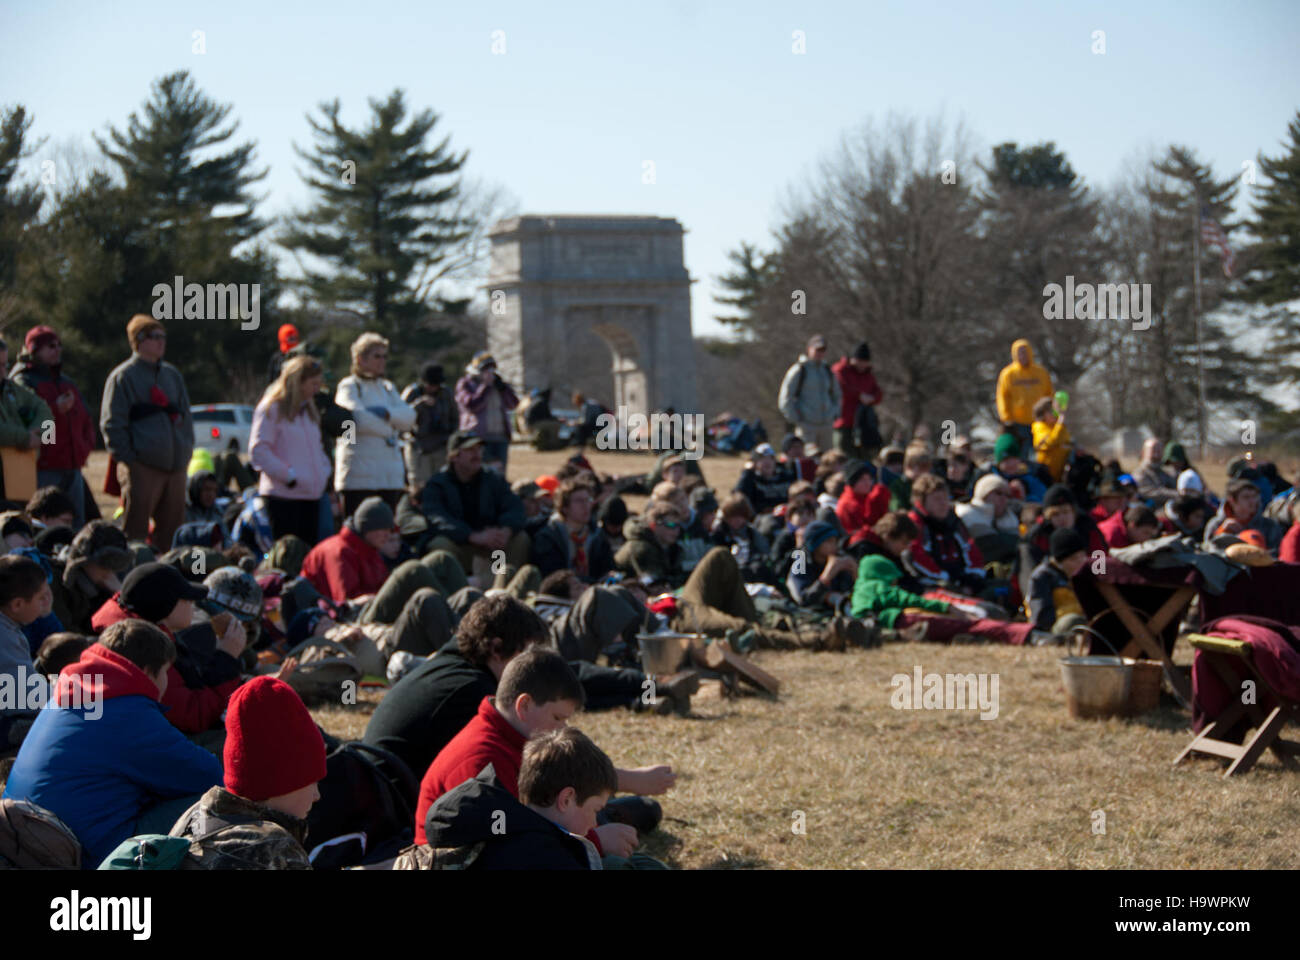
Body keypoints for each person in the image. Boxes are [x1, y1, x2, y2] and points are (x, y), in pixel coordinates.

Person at [2, 619, 224, 867]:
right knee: (215, 798)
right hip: (80, 853)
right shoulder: (128, 711)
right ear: (149, 672)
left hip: (25, 838)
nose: (166, 681)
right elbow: (208, 773)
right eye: (165, 672)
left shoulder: (69, 693)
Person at [413, 647, 663, 859]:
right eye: (557, 718)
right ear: (524, 705)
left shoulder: (510, 735)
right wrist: (593, 842)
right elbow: (505, 846)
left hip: (537, 827)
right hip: (478, 856)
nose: (562, 728)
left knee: (646, 809)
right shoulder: (482, 761)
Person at [362, 594, 544, 780]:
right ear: (497, 649)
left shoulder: (446, 670)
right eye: (525, 657)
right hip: (392, 799)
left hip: (378, 788)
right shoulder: (472, 691)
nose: (532, 669)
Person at [170, 676, 327, 870]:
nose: (316, 796)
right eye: (312, 782)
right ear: (280, 783)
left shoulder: (194, 817)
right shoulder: (273, 847)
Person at [423, 728, 618, 870]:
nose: (594, 823)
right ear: (566, 799)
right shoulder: (550, 857)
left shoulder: (499, 828)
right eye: (596, 810)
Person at [91, 562, 247, 735]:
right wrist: (226, 657)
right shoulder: (142, 651)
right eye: (186, 599)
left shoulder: (138, 633)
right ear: (166, 608)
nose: (192, 603)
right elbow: (195, 716)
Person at [849, 513, 1034, 645]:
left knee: (966, 624)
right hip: (899, 619)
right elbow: (904, 597)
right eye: (904, 542)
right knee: (967, 623)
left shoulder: (862, 588)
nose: (905, 548)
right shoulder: (879, 579)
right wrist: (945, 607)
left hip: (894, 620)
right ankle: (1024, 633)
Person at [101, 315, 194, 551]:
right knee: (135, 534)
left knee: (172, 535)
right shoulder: (122, 376)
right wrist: (131, 461)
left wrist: (185, 450)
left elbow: (185, 416)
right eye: (154, 337)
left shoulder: (172, 375)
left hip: (175, 468)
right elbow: (112, 423)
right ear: (139, 340)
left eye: (163, 336)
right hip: (142, 467)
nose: (161, 342)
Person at [9, 326, 96, 528]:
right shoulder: (23, 381)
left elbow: (85, 419)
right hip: (43, 468)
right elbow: (30, 421)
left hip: (72, 467)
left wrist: (84, 447)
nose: (57, 350)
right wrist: (55, 409)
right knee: (44, 522)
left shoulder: (67, 383)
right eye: (50, 346)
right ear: (33, 350)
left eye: (58, 345)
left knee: (75, 523)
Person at [421, 431, 530, 576]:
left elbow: (514, 506)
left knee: (520, 539)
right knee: (440, 545)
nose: (477, 454)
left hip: (493, 548)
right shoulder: (437, 484)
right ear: (454, 456)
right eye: (470, 450)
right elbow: (437, 518)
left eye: (479, 449)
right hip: (460, 546)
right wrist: (471, 535)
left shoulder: (493, 479)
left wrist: (506, 530)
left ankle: (503, 585)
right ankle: (453, 590)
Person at [251, 355, 332, 546]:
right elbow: (259, 450)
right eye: (313, 383)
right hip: (283, 497)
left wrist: (323, 471)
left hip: (311, 496)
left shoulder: (309, 412)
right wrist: (289, 475)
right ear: (298, 382)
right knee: (289, 555)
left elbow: (318, 448)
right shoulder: (271, 408)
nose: (317, 389)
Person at [333, 332, 415, 516]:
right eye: (377, 356)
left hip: (388, 477)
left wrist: (386, 413)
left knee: (386, 534)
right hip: (359, 478)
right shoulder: (349, 386)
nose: (382, 361)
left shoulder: (388, 387)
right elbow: (356, 420)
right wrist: (392, 424)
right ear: (361, 359)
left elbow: (410, 418)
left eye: (385, 356)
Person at [0, 555, 54, 755]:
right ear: (17, 605)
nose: (47, 602)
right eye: (41, 598)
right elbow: (22, 695)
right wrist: (71, 697)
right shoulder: (4, 637)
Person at [300, 497, 399, 605]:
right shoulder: (340, 552)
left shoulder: (369, 549)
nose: (388, 535)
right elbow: (346, 602)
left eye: (390, 530)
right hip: (325, 616)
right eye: (383, 529)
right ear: (367, 528)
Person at [530, 479, 613, 581]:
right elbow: (554, 576)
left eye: (588, 500)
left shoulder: (597, 534)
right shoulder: (549, 536)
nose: (586, 506)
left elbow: (607, 568)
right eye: (579, 501)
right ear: (564, 507)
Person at [455, 351, 518, 472]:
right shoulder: (466, 383)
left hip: (500, 437)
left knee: (499, 474)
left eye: (491, 368)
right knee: (481, 472)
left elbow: (513, 404)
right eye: (485, 368)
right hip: (478, 438)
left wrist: (503, 388)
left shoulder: (498, 384)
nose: (489, 372)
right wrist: (485, 386)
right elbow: (472, 406)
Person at [777, 334, 841, 451]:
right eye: (817, 349)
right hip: (807, 426)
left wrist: (834, 413)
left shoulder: (827, 370)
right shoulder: (799, 369)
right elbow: (785, 398)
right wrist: (797, 418)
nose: (820, 353)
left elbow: (837, 395)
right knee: (807, 461)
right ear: (809, 349)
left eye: (823, 350)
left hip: (826, 425)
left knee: (828, 461)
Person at [402, 363, 457, 493]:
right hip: (418, 448)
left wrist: (451, 439)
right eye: (432, 384)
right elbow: (402, 418)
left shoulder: (446, 394)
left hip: (441, 446)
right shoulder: (412, 393)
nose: (434, 388)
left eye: (437, 384)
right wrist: (419, 404)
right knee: (419, 486)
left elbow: (454, 417)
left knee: (443, 484)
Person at [1025, 528, 1089, 638]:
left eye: (1082, 556)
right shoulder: (1042, 576)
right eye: (1074, 559)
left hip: (1084, 622)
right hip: (1057, 629)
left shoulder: (1085, 573)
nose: (1081, 562)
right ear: (1060, 561)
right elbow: (1042, 618)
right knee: (1073, 620)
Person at [995, 338, 1053, 460]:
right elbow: (1002, 397)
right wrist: (1006, 418)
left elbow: (1049, 394)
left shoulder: (1041, 373)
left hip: (1040, 421)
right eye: (1019, 353)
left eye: (1025, 352)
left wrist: (1052, 414)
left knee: (1042, 451)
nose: (1022, 355)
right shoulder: (1008, 374)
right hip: (1018, 423)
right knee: (1022, 454)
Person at [831, 342, 883, 459]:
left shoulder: (868, 375)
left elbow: (878, 393)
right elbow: (841, 386)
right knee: (843, 455)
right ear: (853, 359)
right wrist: (859, 395)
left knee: (864, 457)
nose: (862, 365)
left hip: (863, 424)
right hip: (844, 422)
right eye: (859, 361)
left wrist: (872, 398)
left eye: (865, 362)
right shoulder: (841, 369)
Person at [1204, 478, 1283, 553]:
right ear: (1232, 500)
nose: (1252, 501)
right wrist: (1221, 533)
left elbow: (1275, 556)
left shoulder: (1269, 526)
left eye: (1255, 496)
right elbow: (1206, 553)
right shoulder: (1216, 524)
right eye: (1246, 497)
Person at [955, 475, 1020, 565]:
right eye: (998, 493)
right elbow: (988, 545)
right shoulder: (967, 514)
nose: (1003, 499)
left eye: (1007, 495)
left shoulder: (1010, 518)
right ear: (983, 493)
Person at [835, 460, 887, 548]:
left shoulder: (865, 496)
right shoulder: (848, 504)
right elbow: (856, 533)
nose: (868, 483)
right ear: (852, 482)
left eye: (869, 479)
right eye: (862, 480)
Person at [733, 442, 792, 515]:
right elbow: (738, 495)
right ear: (754, 463)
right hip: (762, 519)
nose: (767, 462)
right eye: (762, 459)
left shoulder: (785, 478)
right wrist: (747, 471)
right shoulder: (752, 480)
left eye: (770, 458)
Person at [1030, 395, 1071, 484]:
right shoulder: (1039, 427)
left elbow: (1067, 441)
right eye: (1050, 411)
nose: (1054, 413)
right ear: (1042, 413)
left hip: (1062, 473)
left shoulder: (1057, 426)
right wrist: (1060, 424)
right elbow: (1050, 442)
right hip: (1047, 474)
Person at [1135, 438, 1179, 507]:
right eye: (1153, 451)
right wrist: (1178, 494)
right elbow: (1150, 492)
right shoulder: (1140, 473)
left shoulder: (1166, 472)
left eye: (1159, 451)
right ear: (1143, 453)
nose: (1156, 455)